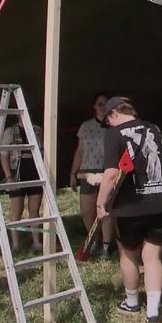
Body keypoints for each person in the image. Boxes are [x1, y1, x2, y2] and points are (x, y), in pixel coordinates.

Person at [96, 97, 162, 323]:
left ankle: (132, 302)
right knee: (152, 257)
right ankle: (152, 314)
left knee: (129, 254)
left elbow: (111, 174)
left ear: (113, 114)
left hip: (132, 205)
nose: (108, 125)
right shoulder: (154, 128)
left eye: (107, 120)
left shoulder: (115, 133)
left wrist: (101, 204)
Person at [70, 93, 116, 258]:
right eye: (99, 104)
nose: (102, 107)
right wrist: (73, 173)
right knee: (87, 211)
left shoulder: (114, 125)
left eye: (105, 104)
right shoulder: (85, 126)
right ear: (94, 107)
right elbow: (79, 151)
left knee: (106, 209)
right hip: (87, 171)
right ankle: (94, 239)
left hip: (107, 170)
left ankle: (107, 245)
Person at [0, 113, 44, 252]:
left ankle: (37, 242)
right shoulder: (9, 131)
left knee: (34, 210)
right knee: (16, 211)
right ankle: (15, 245)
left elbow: (43, 151)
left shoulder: (37, 130)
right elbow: (4, 155)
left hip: (34, 172)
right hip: (17, 173)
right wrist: (8, 176)